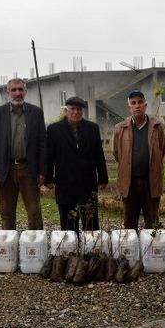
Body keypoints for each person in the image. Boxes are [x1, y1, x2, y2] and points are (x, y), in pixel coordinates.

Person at [0, 78, 46, 230]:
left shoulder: (36, 113)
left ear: (25, 92)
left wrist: (42, 171)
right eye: (14, 90)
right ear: (8, 92)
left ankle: (36, 242)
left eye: (20, 89)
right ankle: (9, 242)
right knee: (6, 212)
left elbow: (42, 143)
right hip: (6, 169)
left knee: (34, 211)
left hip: (29, 168)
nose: (17, 93)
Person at [45, 96, 108, 231]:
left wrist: (103, 178)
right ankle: (71, 245)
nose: (75, 112)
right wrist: (49, 178)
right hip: (65, 184)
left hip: (88, 184)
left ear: (82, 111)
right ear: (66, 111)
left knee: (91, 225)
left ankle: (90, 244)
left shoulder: (92, 129)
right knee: (68, 228)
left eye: (79, 109)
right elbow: (49, 156)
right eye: (72, 109)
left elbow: (99, 155)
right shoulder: (54, 130)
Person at [112, 90, 165, 229]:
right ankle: (131, 243)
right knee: (129, 222)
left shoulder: (157, 126)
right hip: (129, 182)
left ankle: (151, 243)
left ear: (145, 105)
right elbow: (117, 153)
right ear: (129, 107)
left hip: (151, 180)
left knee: (152, 222)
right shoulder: (120, 128)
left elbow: (161, 150)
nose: (137, 106)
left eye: (140, 102)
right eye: (133, 103)